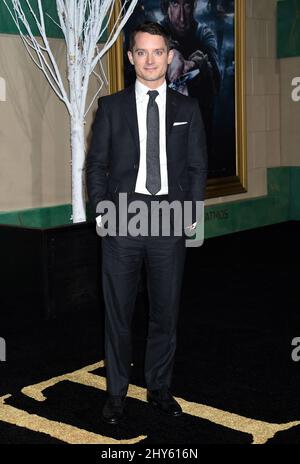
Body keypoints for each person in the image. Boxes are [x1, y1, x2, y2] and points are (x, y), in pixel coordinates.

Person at [86, 21, 207, 425]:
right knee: (118, 311)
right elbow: (97, 166)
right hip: (122, 219)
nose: (150, 60)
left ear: (169, 56)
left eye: (158, 52)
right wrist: (104, 210)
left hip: (168, 219)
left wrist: (191, 211)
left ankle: (158, 387)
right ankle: (116, 394)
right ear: (131, 57)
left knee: (164, 311)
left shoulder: (187, 109)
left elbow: (195, 167)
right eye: (142, 52)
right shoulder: (111, 107)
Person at [160, 0, 221, 161]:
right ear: (166, 7)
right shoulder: (156, 34)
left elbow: (216, 80)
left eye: (186, 5)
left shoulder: (204, 34)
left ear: (193, 6)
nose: (181, 16)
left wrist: (197, 65)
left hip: (198, 134)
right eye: (175, 4)